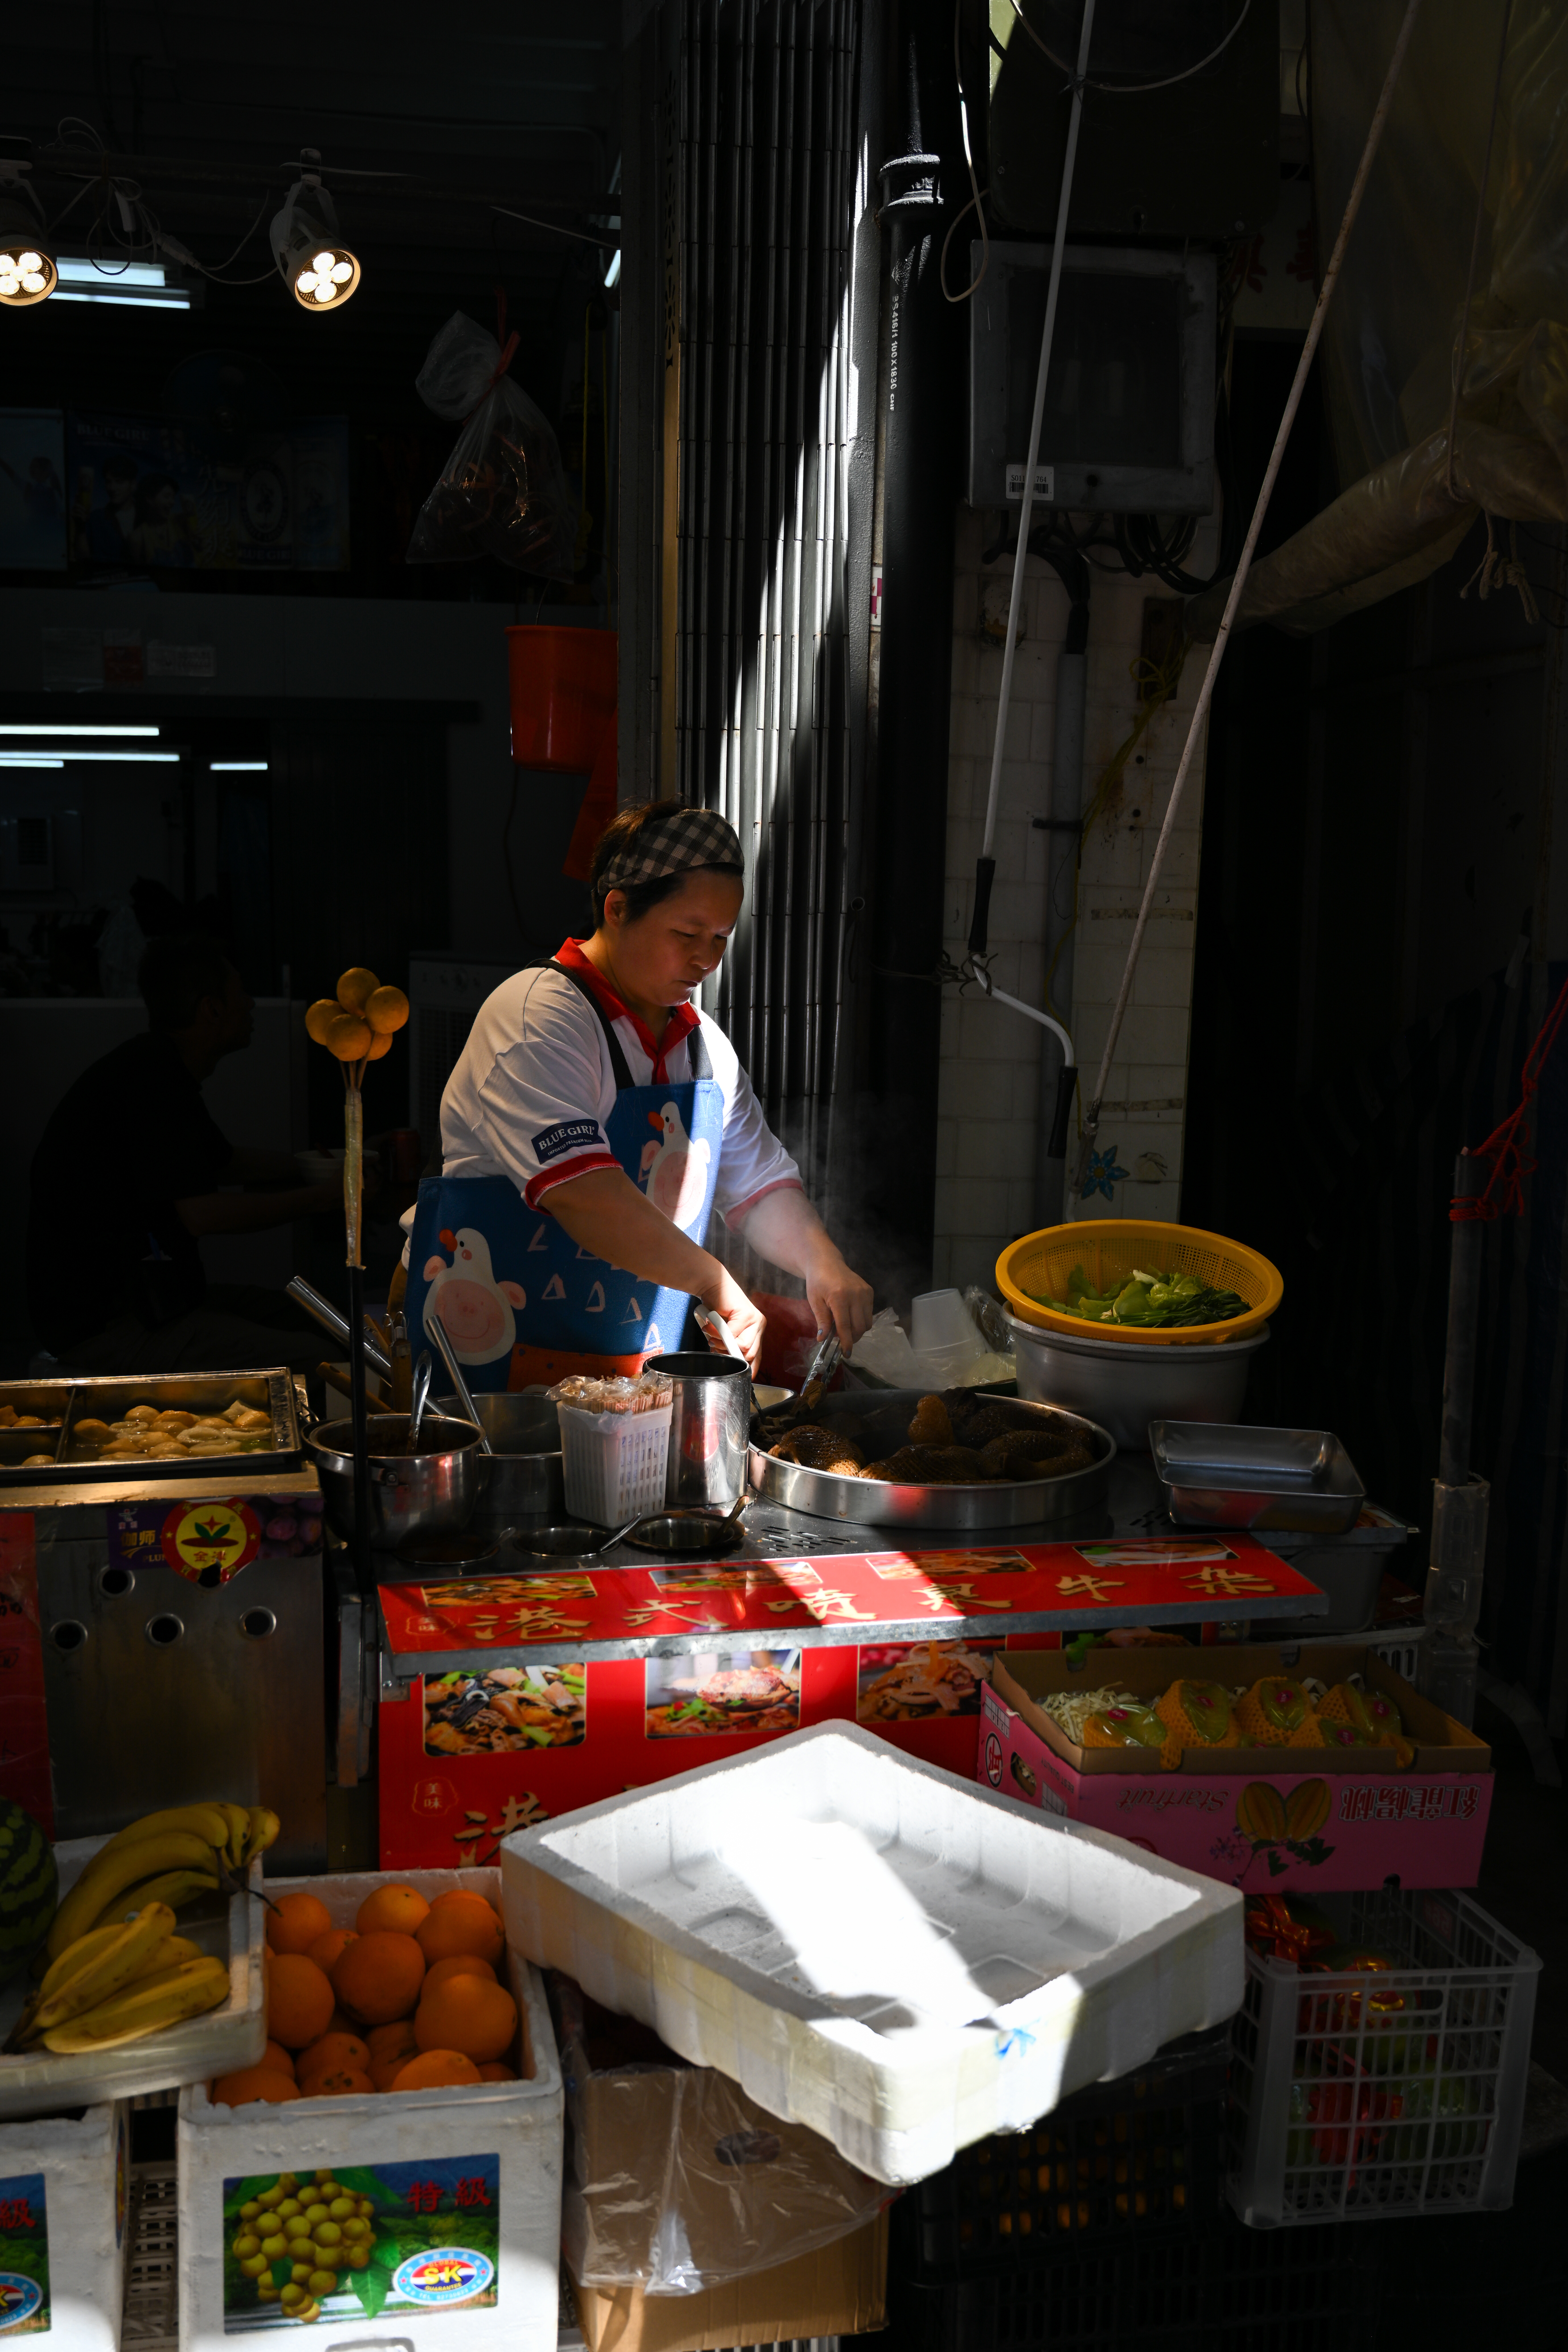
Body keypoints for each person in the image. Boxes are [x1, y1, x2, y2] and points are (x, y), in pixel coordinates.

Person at [402, 800, 873, 1385]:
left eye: (721, 938)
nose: (707, 959)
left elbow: (757, 1185)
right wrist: (714, 1282)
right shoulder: (537, 1018)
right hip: (494, 1365)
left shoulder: (704, 1048)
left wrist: (822, 1262)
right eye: (687, 934)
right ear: (617, 908)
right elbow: (584, 1195)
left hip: (631, 1370)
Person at [26, 935, 341, 1373]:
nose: (251, 1004)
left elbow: (223, 1163)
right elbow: (202, 1215)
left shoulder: (158, 1067)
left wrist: (328, 1166)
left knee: (321, 1320)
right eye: (241, 993)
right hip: (112, 1324)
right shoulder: (153, 1082)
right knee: (327, 1362)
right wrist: (325, 1198)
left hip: (155, 1300)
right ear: (212, 1009)